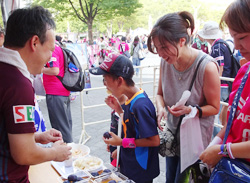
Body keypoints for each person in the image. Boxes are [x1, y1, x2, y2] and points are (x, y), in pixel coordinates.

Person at [147, 11, 220, 183]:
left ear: (182, 40)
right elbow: (159, 94)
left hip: (194, 142)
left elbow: (215, 107)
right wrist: (160, 109)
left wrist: (190, 110)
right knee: (171, 179)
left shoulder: (206, 67)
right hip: (172, 137)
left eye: (164, 47)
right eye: (157, 48)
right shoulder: (166, 61)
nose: (160, 53)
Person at [0, 6, 71, 182]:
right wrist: (55, 152)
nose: (49, 58)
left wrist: (37, 136)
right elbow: (24, 154)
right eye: (50, 49)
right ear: (34, 42)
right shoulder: (18, 85)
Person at [89, 53, 160, 183]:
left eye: (105, 79)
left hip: (140, 169)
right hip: (131, 163)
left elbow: (154, 141)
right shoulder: (131, 98)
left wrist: (121, 143)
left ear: (120, 80)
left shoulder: (140, 105)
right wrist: (119, 110)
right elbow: (133, 126)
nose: (105, 84)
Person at [200, 0, 250, 168]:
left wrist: (223, 150)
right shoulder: (244, 72)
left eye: (242, 37)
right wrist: (213, 146)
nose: (236, 45)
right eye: (233, 37)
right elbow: (231, 125)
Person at [198, 21, 233, 136]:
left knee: (213, 115)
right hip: (226, 84)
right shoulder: (223, 44)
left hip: (221, 85)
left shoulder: (217, 47)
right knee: (221, 111)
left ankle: (215, 139)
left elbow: (220, 67)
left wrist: (214, 83)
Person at [42, 35, 73, 143]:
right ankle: (70, 151)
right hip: (61, 91)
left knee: (60, 128)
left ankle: (67, 153)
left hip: (55, 92)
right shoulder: (57, 47)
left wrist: (39, 68)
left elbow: (54, 70)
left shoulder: (52, 49)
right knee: (65, 125)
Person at [106, 94, 127, 166]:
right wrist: (110, 142)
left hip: (123, 149)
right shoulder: (115, 104)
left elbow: (131, 134)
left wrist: (120, 149)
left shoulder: (128, 108)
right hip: (115, 147)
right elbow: (114, 125)